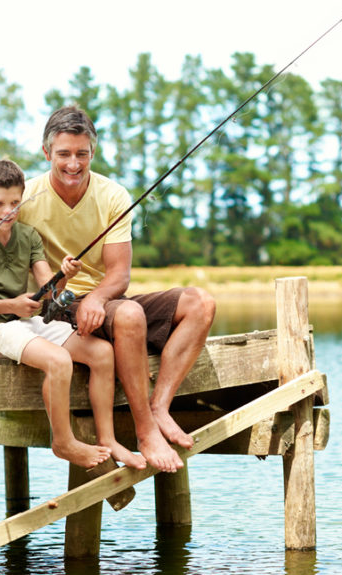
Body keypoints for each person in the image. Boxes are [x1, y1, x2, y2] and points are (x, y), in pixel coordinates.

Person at [19, 105, 216, 474]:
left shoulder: (113, 195)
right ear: (47, 153)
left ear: (93, 153)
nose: (73, 164)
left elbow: (119, 274)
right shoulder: (27, 198)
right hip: (55, 304)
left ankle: (159, 407)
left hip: (104, 301)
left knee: (200, 303)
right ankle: (145, 432)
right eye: (63, 154)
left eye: (82, 154)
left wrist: (96, 298)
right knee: (128, 313)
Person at [0, 159, 145, 470]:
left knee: (102, 353)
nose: (7, 211)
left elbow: (48, 287)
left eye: (15, 203)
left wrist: (63, 274)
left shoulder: (27, 236)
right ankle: (63, 441)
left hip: (23, 321)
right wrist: (10, 305)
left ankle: (107, 438)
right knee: (58, 360)